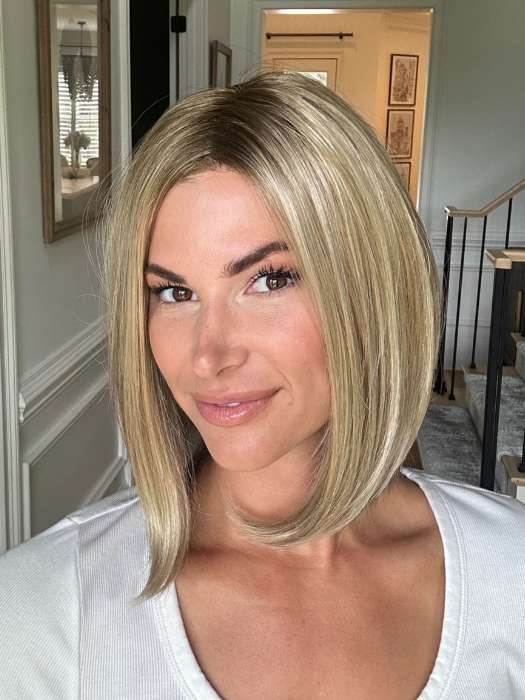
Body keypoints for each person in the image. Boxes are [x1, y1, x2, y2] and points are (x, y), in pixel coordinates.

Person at [1, 69, 524, 699]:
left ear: (369, 291)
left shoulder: (510, 570)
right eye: (174, 293)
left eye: (270, 280)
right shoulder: (40, 613)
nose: (208, 357)